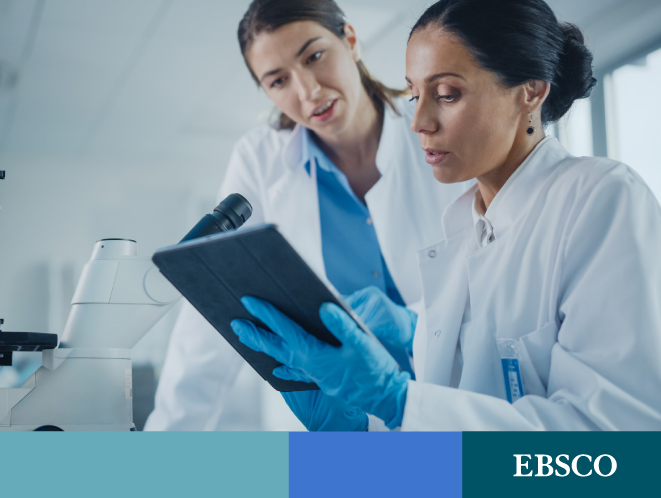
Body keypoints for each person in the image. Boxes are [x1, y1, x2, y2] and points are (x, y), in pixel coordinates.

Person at [231, 0, 661, 430]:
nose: (418, 121)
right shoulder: (461, 235)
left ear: (530, 90)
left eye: (446, 94)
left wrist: (395, 400)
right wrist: (362, 428)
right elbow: (448, 426)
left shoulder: (601, 199)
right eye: (416, 95)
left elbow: (613, 446)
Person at [145, 0, 465, 431]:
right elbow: (210, 320)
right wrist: (164, 446)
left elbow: (493, 284)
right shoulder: (260, 159)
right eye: (278, 81)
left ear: (349, 41)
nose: (308, 90)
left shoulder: (434, 130)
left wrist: (417, 326)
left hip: (453, 410)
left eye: (314, 56)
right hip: (341, 429)